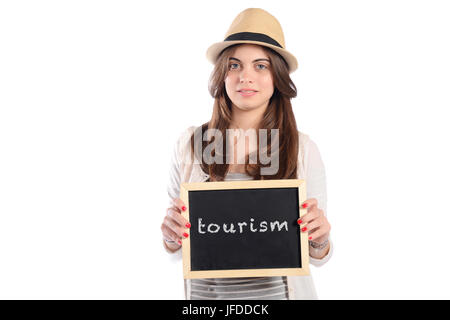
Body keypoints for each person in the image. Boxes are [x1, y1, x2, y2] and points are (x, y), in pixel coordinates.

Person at [160, 8, 333, 300]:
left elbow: (316, 255)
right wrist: (170, 235)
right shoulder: (189, 144)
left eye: (260, 66)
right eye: (235, 65)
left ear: (277, 76)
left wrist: (321, 238)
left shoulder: (302, 149)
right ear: (222, 74)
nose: (245, 77)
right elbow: (178, 248)